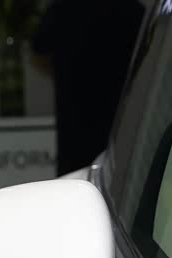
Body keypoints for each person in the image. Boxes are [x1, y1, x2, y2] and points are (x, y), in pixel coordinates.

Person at [31, 0, 146, 176]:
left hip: (76, 129)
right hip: (118, 127)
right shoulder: (132, 10)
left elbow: (38, 55)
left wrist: (65, 73)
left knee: (75, 180)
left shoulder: (62, 9)